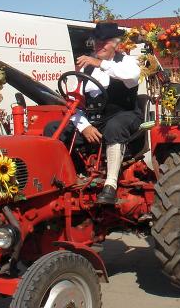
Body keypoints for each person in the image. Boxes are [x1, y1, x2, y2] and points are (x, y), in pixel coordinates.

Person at [45, 22, 142, 205]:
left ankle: (110, 185)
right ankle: (73, 174)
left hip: (124, 114)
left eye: (104, 42)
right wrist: (85, 126)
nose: (99, 46)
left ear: (115, 44)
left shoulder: (127, 62)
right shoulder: (86, 68)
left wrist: (99, 63)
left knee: (115, 127)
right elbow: (75, 103)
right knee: (53, 129)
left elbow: (132, 76)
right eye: (97, 42)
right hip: (94, 121)